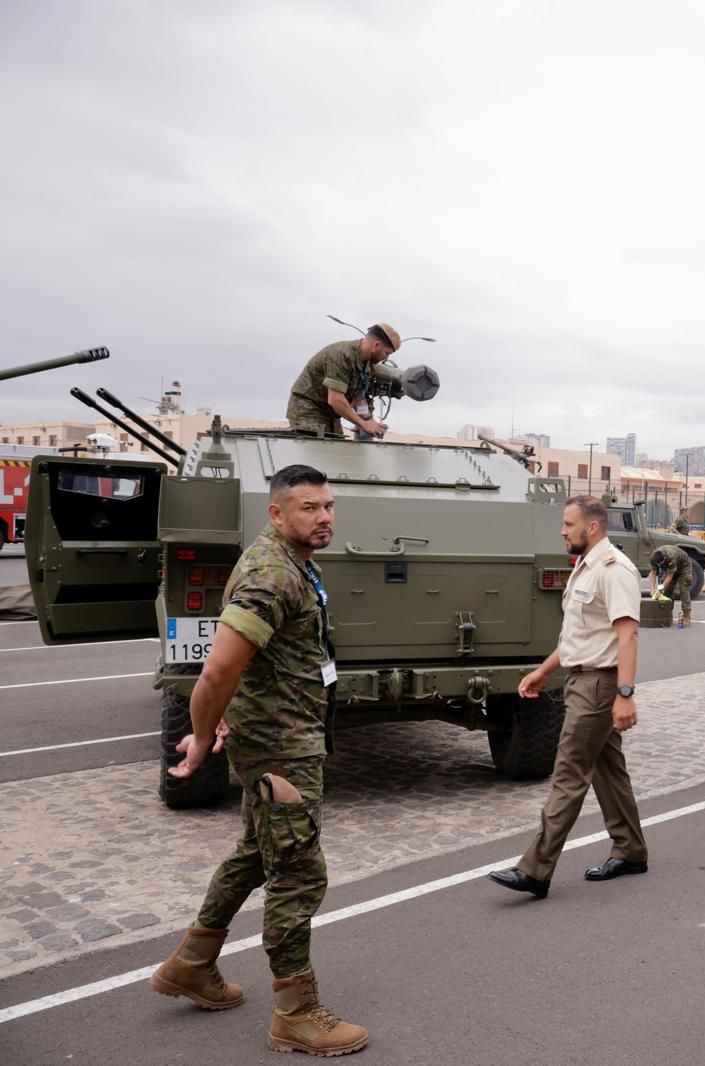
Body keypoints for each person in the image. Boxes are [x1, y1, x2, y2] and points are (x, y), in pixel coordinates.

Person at [149, 464, 367, 1057]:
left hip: (281, 736)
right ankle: (296, 1013)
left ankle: (192, 964)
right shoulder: (272, 574)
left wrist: (230, 713)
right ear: (277, 513)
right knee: (298, 872)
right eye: (308, 508)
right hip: (280, 750)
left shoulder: (292, 561)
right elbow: (217, 669)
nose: (322, 517)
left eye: (327, 506)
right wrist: (199, 738)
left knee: (254, 854)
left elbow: (253, 665)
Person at [489, 496, 646, 899]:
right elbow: (580, 635)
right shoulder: (587, 566)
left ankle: (535, 870)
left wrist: (625, 694)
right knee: (609, 771)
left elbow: (627, 634)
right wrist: (543, 671)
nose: (562, 530)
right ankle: (630, 850)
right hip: (581, 679)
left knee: (568, 774)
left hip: (599, 686)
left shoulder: (614, 570)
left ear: (592, 528)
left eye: (568, 524)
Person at [286, 323, 400, 438]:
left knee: (337, 450)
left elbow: (358, 397)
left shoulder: (367, 365)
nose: (386, 358)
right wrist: (364, 424)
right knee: (319, 451)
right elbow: (335, 399)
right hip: (308, 410)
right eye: (387, 353)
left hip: (331, 414)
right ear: (376, 345)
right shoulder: (341, 355)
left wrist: (369, 420)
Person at [649, 544, 695, 626]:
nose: (659, 565)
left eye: (661, 563)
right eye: (658, 564)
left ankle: (686, 615)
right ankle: (668, 614)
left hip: (683, 566)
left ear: (664, 559)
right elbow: (653, 573)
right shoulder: (653, 558)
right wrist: (652, 589)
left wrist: (659, 590)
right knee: (667, 591)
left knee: (683, 589)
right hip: (670, 569)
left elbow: (669, 576)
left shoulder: (670, 557)